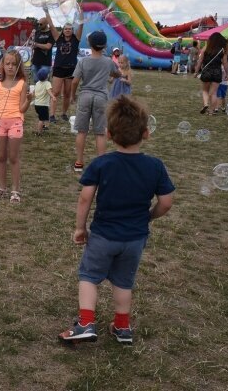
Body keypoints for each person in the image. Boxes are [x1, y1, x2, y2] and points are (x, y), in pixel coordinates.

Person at [59, 95, 174, 345]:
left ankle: (86, 323)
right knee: (123, 281)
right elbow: (166, 202)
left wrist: (80, 228)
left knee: (89, 276)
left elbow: (84, 198)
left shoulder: (102, 163)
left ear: (108, 134)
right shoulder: (155, 166)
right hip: (135, 238)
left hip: (103, 235)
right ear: (146, 133)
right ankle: (122, 327)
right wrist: (149, 217)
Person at [70, 31, 121, 172]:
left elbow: (74, 81)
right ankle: (101, 164)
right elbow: (117, 74)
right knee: (100, 132)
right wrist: (116, 73)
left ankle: (79, 162)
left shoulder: (83, 61)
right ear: (104, 46)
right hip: (101, 98)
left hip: (85, 96)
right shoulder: (108, 62)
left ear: (90, 44)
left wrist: (72, 95)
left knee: (82, 131)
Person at [0, 49, 32, 203]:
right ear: (2, 65)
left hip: (15, 122)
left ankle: (15, 190)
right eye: (7, 63)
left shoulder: (21, 84)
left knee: (13, 157)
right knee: (1, 157)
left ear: (18, 66)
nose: (10, 66)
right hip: (0, 122)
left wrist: (29, 100)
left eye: (14, 64)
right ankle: (1, 188)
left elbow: (22, 109)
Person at [45, 9, 83, 123]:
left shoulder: (76, 39)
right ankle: (52, 115)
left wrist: (81, 10)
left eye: (70, 29)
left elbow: (81, 25)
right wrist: (46, 11)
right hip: (58, 69)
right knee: (55, 92)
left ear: (72, 31)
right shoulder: (58, 38)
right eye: (66, 29)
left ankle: (64, 113)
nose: (67, 30)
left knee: (67, 94)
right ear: (63, 30)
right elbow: (51, 25)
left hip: (71, 69)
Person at [196, 33, 228, 114]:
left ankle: (205, 104)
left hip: (207, 71)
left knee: (205, 90)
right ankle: (211, 111)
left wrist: (196, 71)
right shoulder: (222, 50)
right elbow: (225, 63)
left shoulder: (206, 48)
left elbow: (200, 61)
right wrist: (227, 74)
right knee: (214, 93)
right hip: (217, 72)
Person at [33, 66, 56, 135]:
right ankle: (39, 132)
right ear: (47, 76)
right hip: (43, 105)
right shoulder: (47, 83)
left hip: (37, 104)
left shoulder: (37, 83)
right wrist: (53, 97)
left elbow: (34, 92)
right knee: (42, 119)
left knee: (43, 116)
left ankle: (44, 126)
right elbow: (49, 91)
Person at [31, 17, 55, 84]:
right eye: (38, 24)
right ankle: (38, 94)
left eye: (41, 24)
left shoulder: (51, 33)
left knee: (44, 82)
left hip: (45, 62)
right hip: (35, 61)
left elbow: (48, 46)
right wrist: (32, 45)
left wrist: (36, 44)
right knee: (36, 81)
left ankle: (44, 94)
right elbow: (34, 45)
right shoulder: (37, 32)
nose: (39, 25)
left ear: (46, 23)